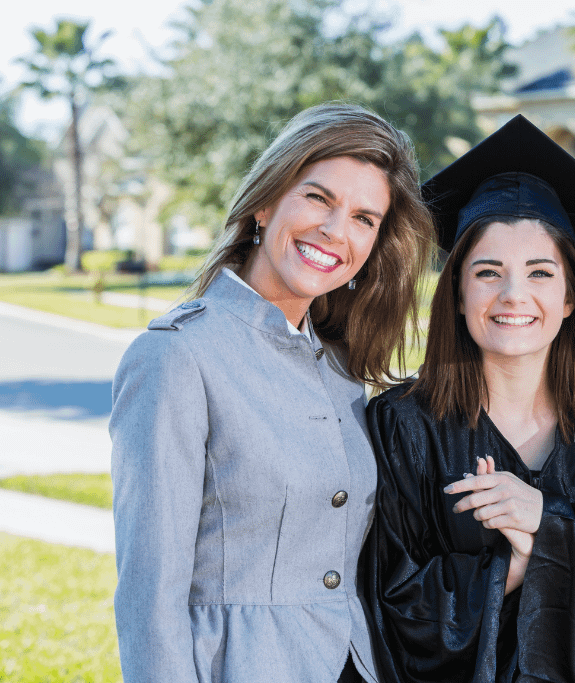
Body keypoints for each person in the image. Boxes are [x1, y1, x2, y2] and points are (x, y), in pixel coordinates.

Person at [109, 103, 434, 683]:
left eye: (364, 218)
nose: (336, 231)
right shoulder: (175, 356)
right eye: (318, 198)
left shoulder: (340, 367)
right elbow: (148, 591)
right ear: (263, 203)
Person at [362, 115, 575, 683]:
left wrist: (542, 524)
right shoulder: (400, 426)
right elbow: (389, 603)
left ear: (572, 297)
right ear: (456, 293)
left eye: (539, 272)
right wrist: (527, 556)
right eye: (488, 272)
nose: (514, 295)